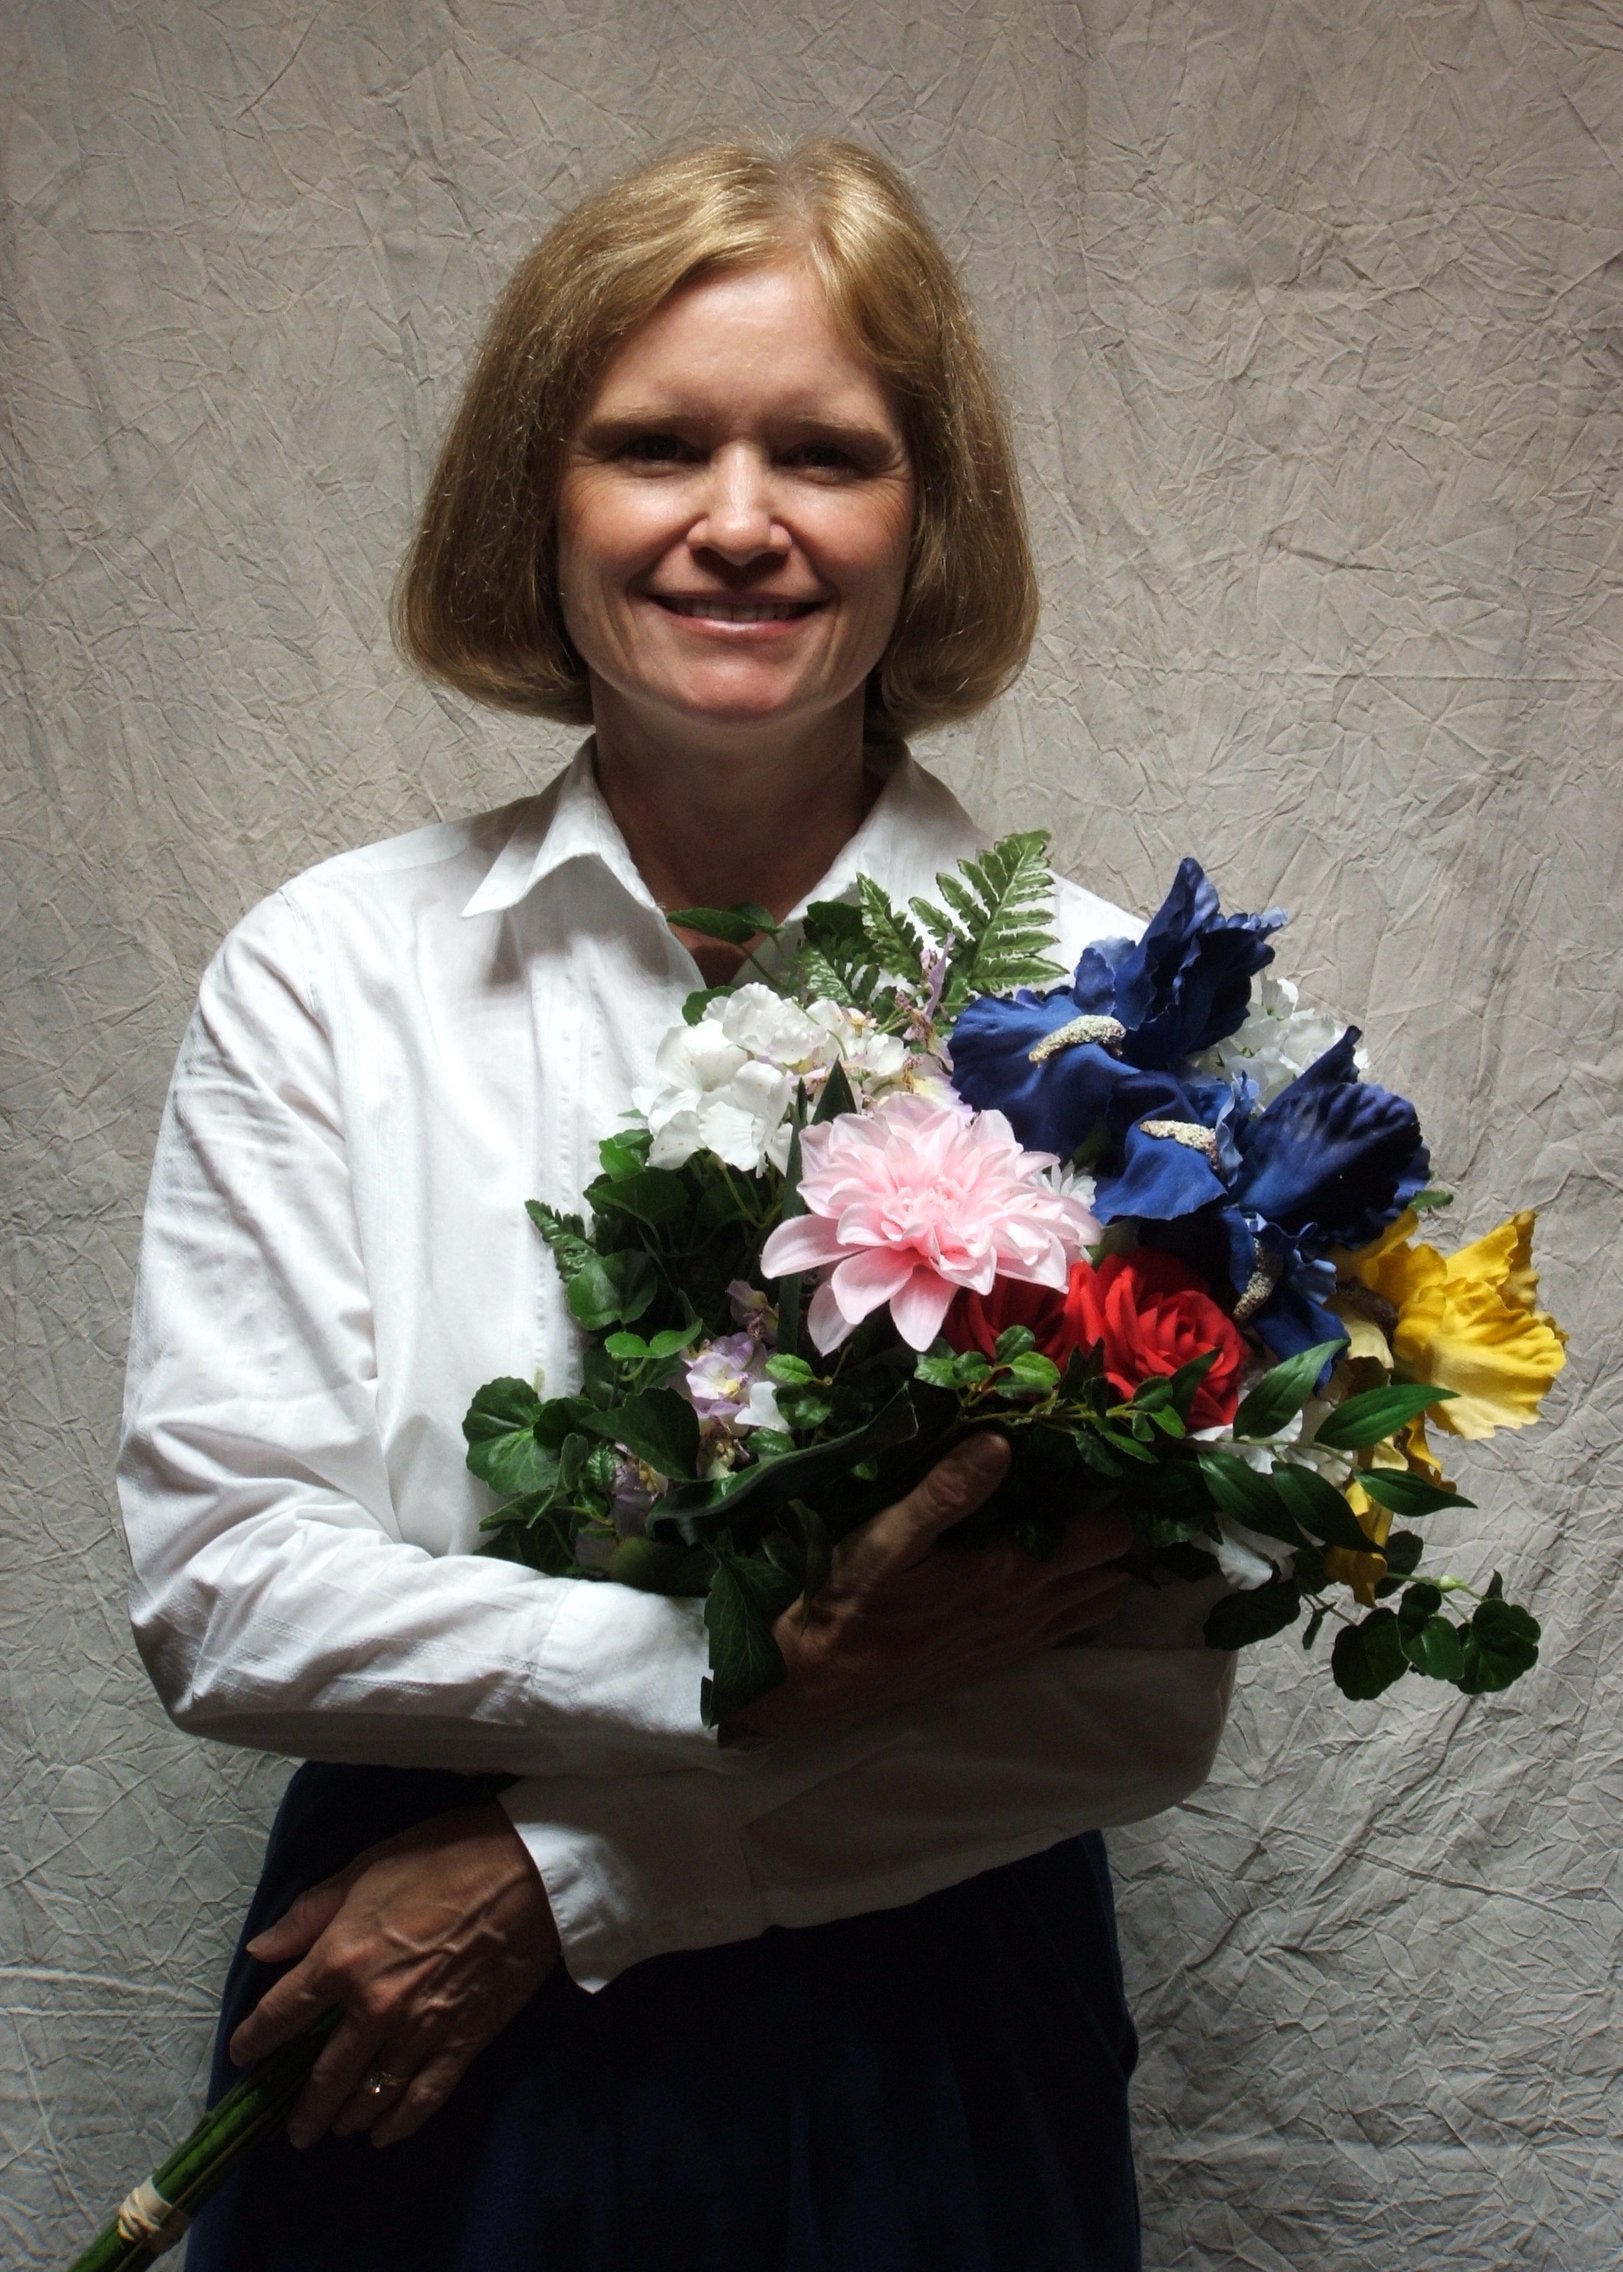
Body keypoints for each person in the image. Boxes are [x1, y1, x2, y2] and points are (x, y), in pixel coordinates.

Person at [119, 137, 1236, 2271]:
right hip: (405, 2034)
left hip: (926, 2024)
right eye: (653, 446)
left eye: (825, 452)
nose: (738, 519)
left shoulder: (1107, 1012)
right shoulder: (330, 973)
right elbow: (224, 1585)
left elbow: (1137, 1692)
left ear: (930, 518)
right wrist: (749, 1668)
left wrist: (570, 1871)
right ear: (536, 500)